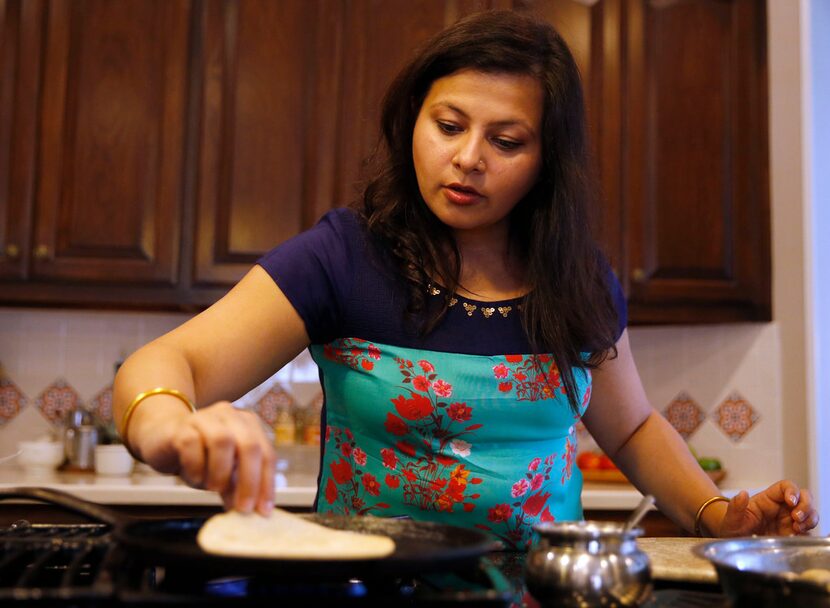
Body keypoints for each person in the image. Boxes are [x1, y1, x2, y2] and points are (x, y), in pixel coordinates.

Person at [113, 10, 818, 548]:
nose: (468, 158)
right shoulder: (344, 257)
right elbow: (167, 363)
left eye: (506, 141)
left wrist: (725, 516)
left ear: (547, 160)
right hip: (377, 589)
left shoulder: (577, 277)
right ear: (412, 122)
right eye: (448, 125)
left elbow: (631, 428)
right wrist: (170, 422)